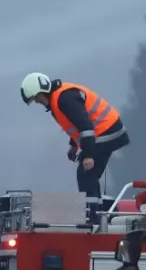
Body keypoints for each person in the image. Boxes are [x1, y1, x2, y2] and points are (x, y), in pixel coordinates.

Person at [20, 73, 130, 223]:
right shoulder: (59, 98)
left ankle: (95, 216)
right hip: (103, 132)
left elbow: (85, 125)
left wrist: (89, 155)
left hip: (108, 131)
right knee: (89, 174)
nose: (39, 102)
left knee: (86, 172)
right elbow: (76, 124)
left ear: (43, 91)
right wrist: (73, 145)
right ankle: (100, 213)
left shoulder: (64, 99)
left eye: (37, 98)